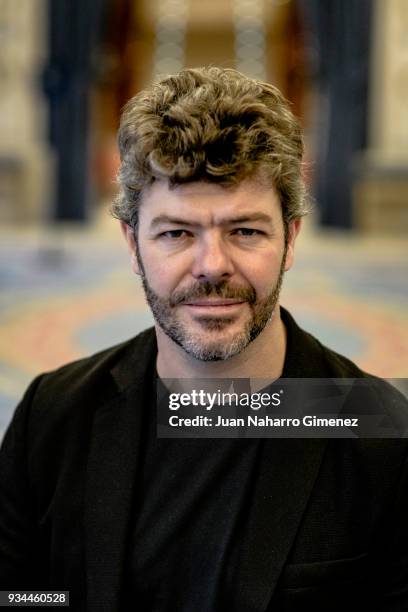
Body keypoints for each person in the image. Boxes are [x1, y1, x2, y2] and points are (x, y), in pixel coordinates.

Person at [0, 67, 407, 611]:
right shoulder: (53, 415)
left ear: (290, 239)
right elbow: (20, 595)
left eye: (245, 231)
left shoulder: (379, 433)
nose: (212, 266)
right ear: (132, 242)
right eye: (175, 233)